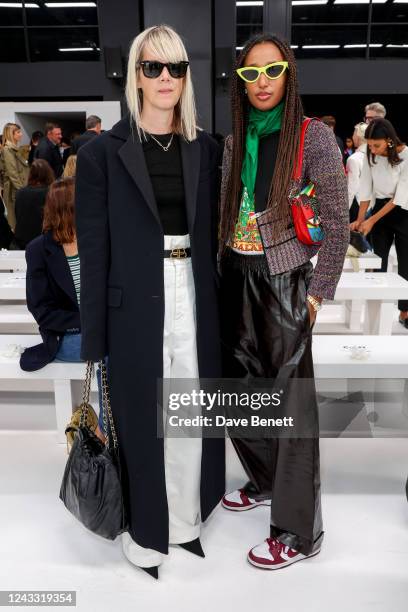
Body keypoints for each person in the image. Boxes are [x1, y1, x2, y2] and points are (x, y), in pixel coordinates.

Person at [75, 25, 224, 579]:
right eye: (153, 67)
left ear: (186, 76)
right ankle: (146, 528)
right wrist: (93, 339)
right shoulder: (99, 155)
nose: (165, 78)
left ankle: (184, 521)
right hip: (131, 302)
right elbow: (93, 253)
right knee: (141, 417)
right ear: (135, 74)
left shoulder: (203, 148)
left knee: (187, 409)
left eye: (176, 68)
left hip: (193, 295)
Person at [219, 32, 349, 570]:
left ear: (289, 75)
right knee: (238, 391)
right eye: (251, 74)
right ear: (241, 83)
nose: (263, 82)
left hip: (285, 280)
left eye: (272, 71)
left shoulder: (312, 137)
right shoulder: (235, 139)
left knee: (292, 408)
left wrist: (317, 294)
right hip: (234, 273)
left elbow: (338, 222)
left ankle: (298, 534)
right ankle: (267, 479)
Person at [350, 118, 408, 328]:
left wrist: (371, 220)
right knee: (378, 260)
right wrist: (360, 220)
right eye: (370, 145)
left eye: (377, 145)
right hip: (380, 210)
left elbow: (400, 197)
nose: (372, 150)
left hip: (403, 212)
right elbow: (365, 188)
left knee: (405, 262)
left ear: (389, 141)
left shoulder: (406, 154)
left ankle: (405, 311)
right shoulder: (369, 155)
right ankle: (376, 309)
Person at [14, 159, 55, 249]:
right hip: (43, 241)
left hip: (21, 240)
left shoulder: (20, 192)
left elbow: (17, 215)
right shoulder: (50, 193)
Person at [1, 122, 30, 231]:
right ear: (11, 134)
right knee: (14, 222)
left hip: (18, 189)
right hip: (14, 190)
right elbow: (12, 173)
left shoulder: (14, 149)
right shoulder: (8, 150)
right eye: (18, 132)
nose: (21, 134)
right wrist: (22, 191)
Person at [347, 121, 369, 222]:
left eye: (354, 133)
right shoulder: (375, 156)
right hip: (373, 206)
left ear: (358, 136)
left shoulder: (353, 159)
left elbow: (352, 188)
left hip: (358, 206)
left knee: (357, 237)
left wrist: (345, 210)